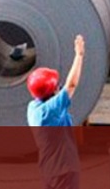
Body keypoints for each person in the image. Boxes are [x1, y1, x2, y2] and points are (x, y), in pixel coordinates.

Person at [26, 35, 85, 189]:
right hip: (64, 170)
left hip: (49, 169)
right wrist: (79, 55)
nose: (59, 87)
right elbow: (71, 85)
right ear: (52, 92)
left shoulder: (33, 108)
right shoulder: (50, 111)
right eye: (56, 86)